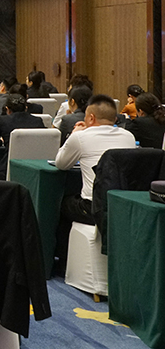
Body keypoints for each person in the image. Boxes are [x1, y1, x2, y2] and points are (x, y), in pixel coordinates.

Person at [54, 95, 136, 268]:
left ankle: (63, 261)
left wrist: (75, 134)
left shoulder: (80, 138)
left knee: (60, 203)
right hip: (121, 207)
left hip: (93, 208)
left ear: (90, 118)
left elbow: (61, 163)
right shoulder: (128, 136)